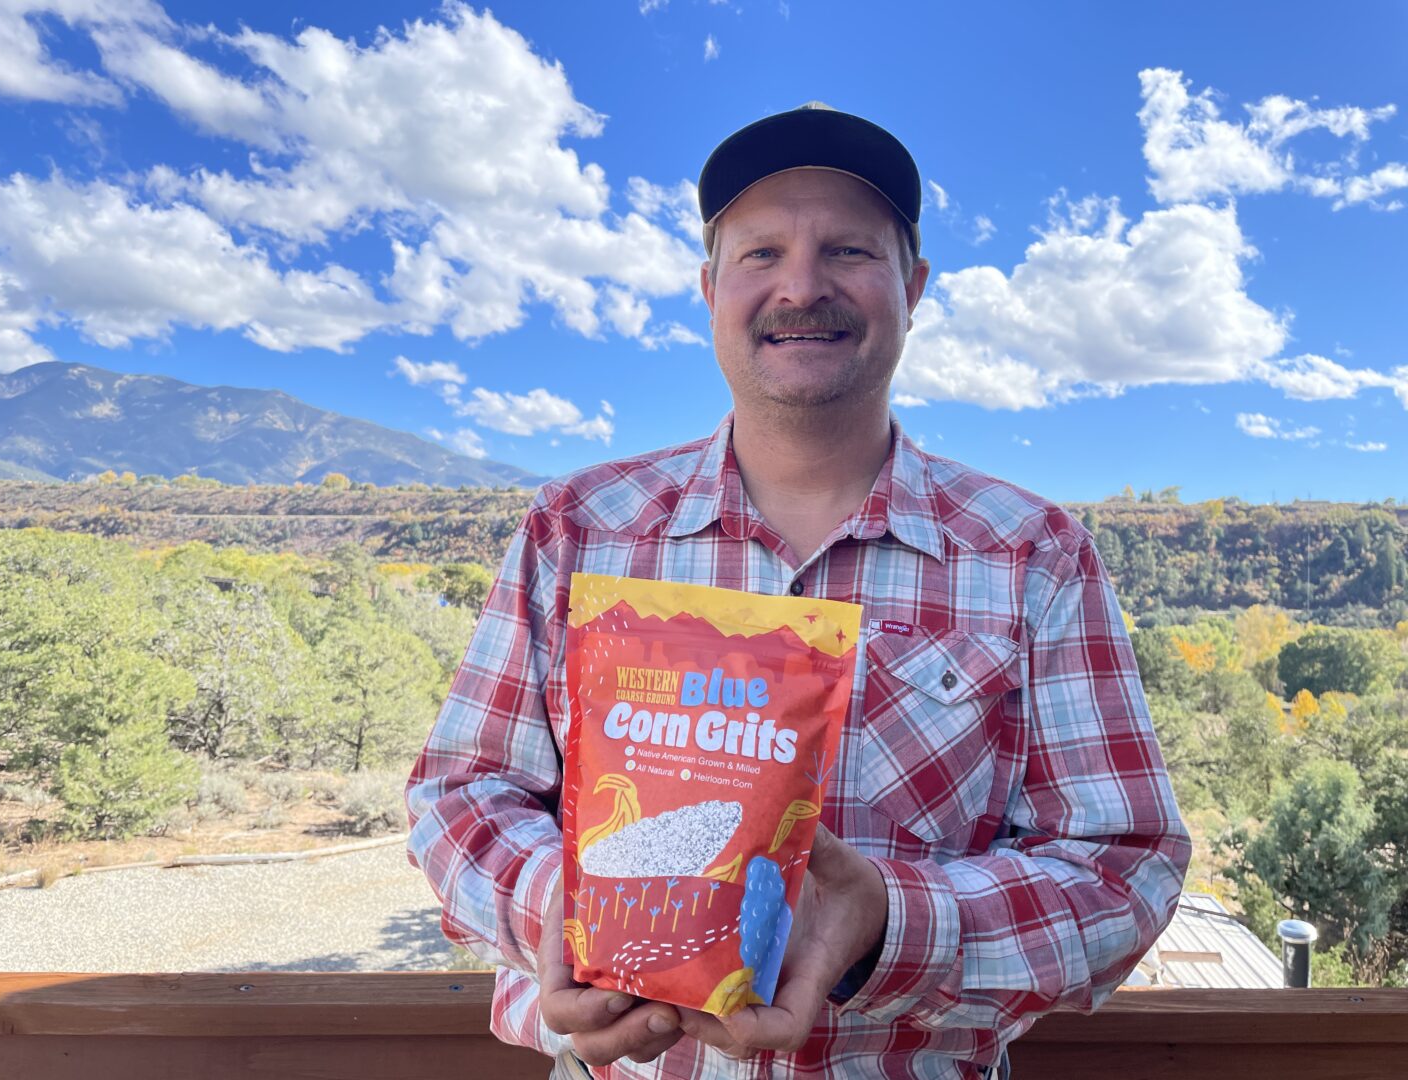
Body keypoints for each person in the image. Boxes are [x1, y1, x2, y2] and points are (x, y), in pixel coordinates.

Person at [407, 103, 1190, 1079]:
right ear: (710, 289)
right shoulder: (579, 529)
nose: (802, 285)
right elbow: (460, 795)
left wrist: (887, 926)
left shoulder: (1033, 555)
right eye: (761, 253)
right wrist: (557, 906)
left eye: (850, 251)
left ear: (914, 285)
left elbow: (1126, 867)